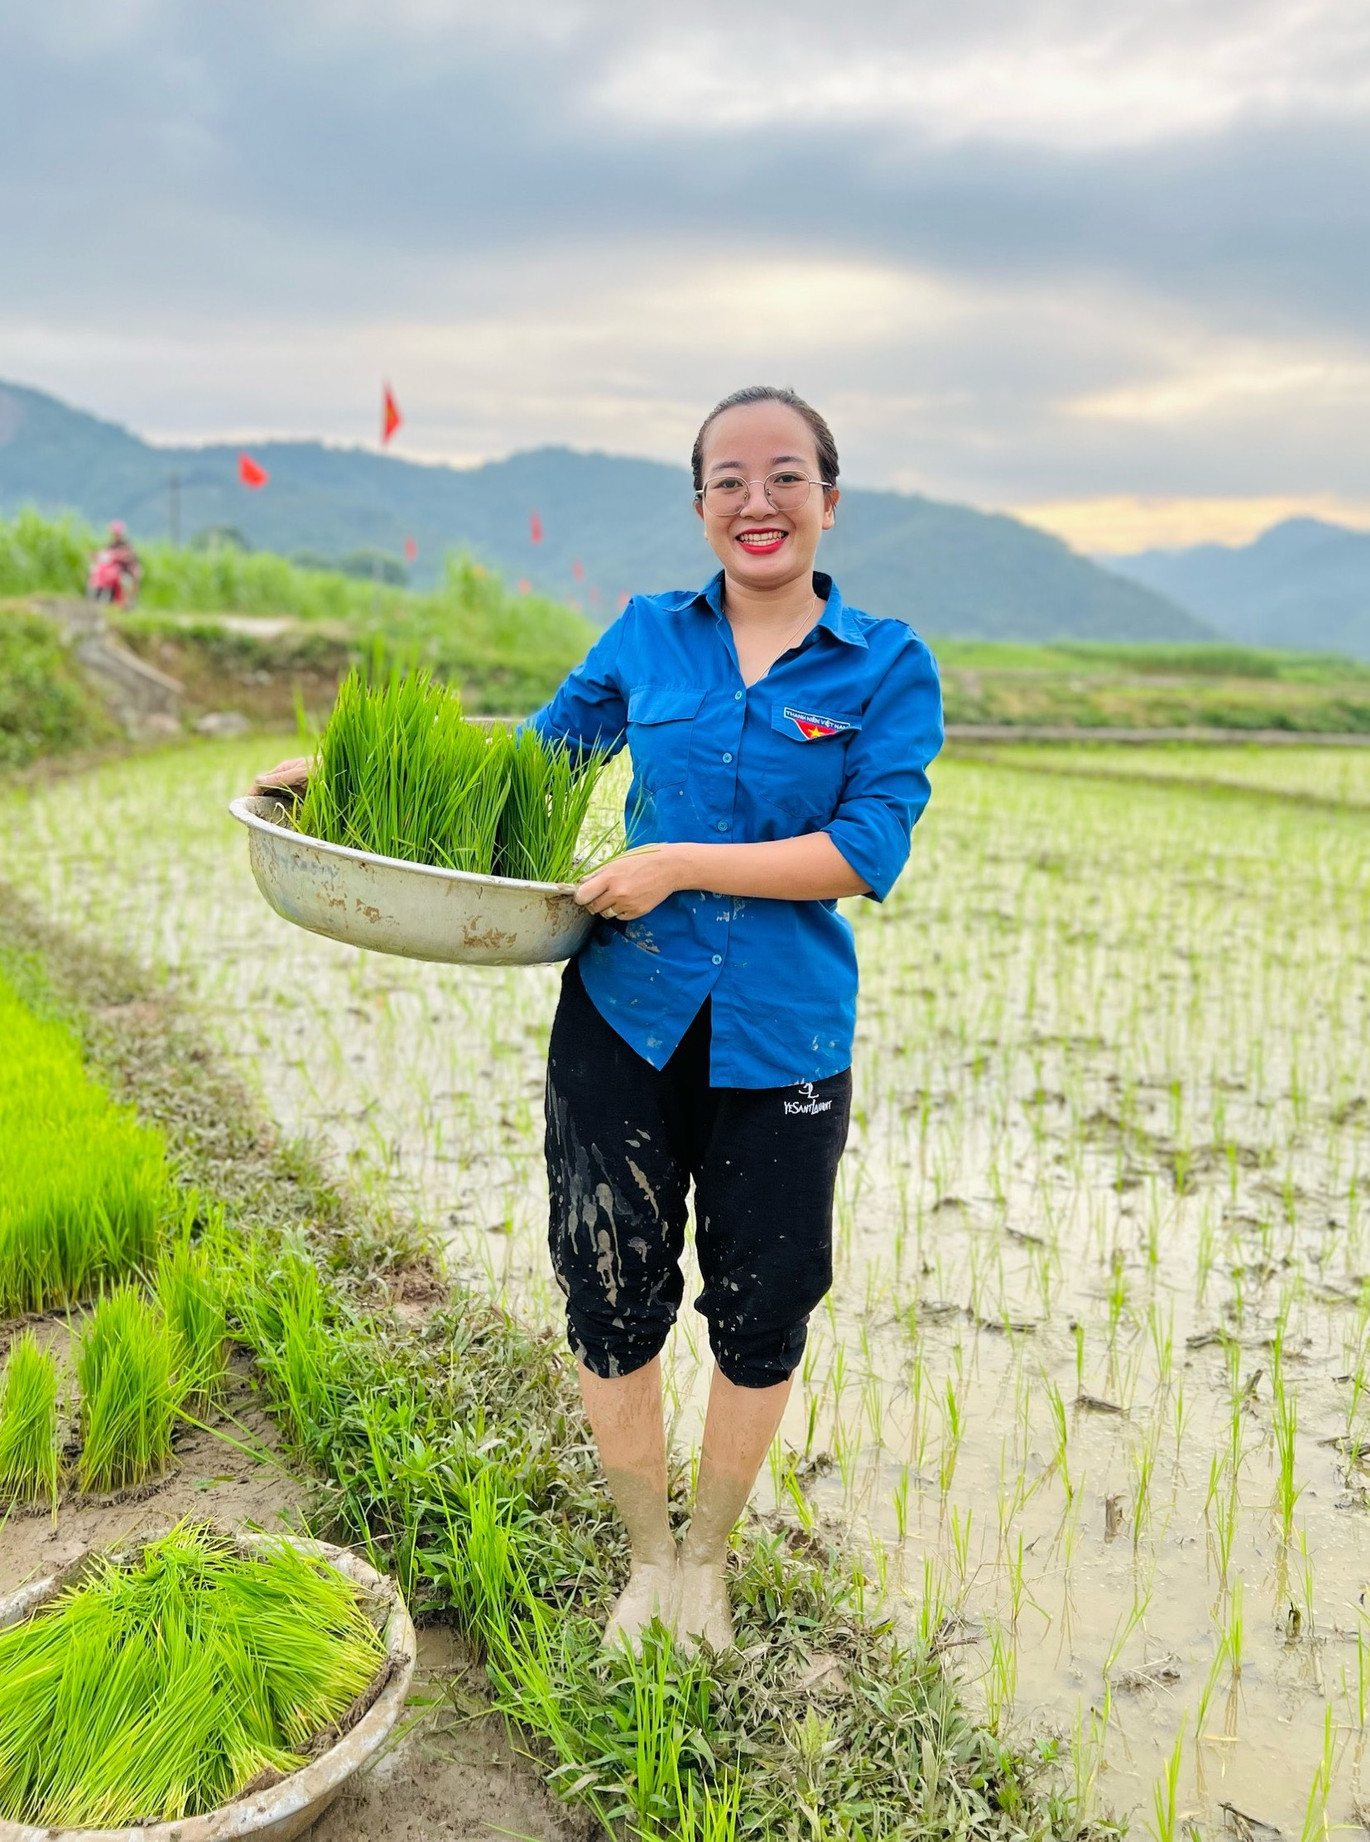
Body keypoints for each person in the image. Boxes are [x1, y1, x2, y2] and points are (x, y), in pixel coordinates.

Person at [252, 385, 944, 1652]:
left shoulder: (887, 666)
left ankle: (707, 1560)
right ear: (699, 507)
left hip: (784, 1039)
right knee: (610, 1288)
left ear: (828, 501)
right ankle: (643, 1560)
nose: (757, 501)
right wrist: (345, 764)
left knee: (765, 1301)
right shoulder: (644, 635)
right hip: (623, 1021)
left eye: (784, 476)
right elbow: (534, 758)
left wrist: (677, 859)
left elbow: (863, 848)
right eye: (727, 479)